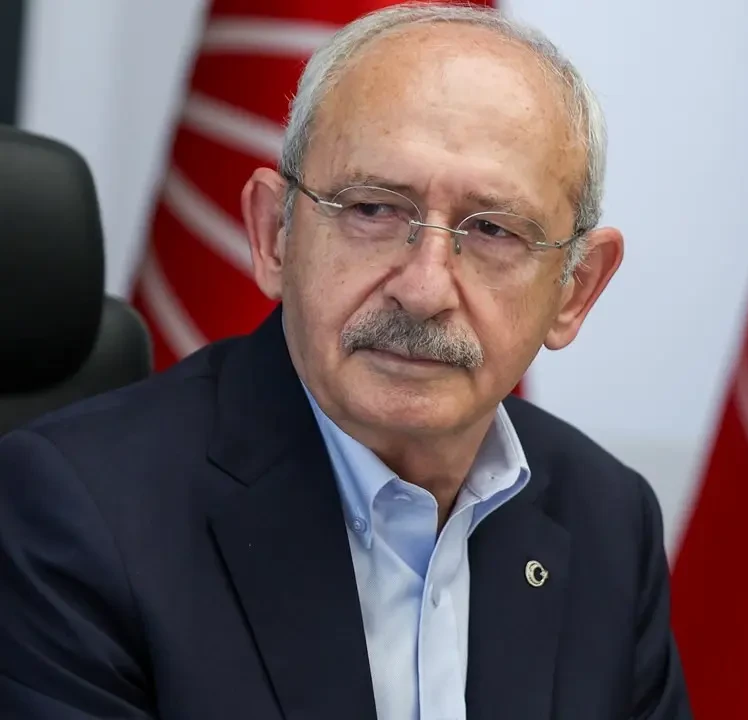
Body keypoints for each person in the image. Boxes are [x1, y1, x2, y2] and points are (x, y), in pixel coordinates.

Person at [0, 4, 691, 719]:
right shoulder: (78, 515)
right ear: (274, 235)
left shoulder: (608, 520)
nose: (424, 290)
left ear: (574, 291)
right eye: (372, 210)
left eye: (492, 230)